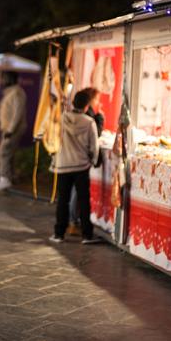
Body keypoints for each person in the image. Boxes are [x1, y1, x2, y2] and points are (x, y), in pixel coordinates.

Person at [49, 89, 100, 244]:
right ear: (86, 106)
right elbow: (94, 147)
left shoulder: (62, 118)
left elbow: (53, 137)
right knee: (83, 200)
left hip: (63, 164)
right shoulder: (89, 122)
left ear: (73, 103)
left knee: (62, 200)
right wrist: (93, 160)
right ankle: (87, 235)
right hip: (81, 166)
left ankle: (59, 234)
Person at [67, 87, 104, 236]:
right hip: (80, 161)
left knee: (69, 194)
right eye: (96, 99)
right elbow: (94, 141)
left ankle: (67, 226)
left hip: (68, 160)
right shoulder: (88, 120)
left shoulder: (66, 118)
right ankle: (80, 227)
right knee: (79, 194)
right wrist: (95, 160)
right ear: (88, 103)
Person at [0, 71, 27, 192]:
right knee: (8, 154)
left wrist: (10, 130)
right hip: (9, 129)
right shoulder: (12, 92)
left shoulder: (16, 93)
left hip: (12, 130)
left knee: (4, 152)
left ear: (11, 79)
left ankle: (4, 179)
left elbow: (17, 113)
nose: (2, 81)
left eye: (4, 78)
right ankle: (10, 177)